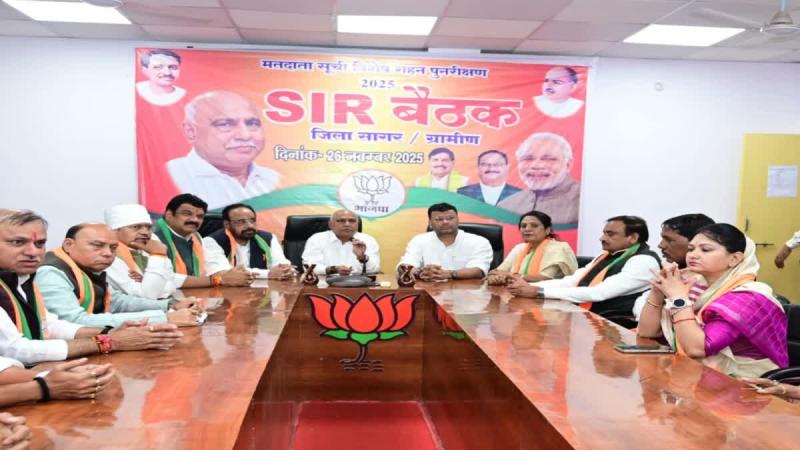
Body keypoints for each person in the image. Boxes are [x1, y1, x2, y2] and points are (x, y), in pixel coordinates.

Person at [0, 209, 184, 365]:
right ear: (68, 245)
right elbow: (14, 349)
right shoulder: (48, 272)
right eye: (17, 242)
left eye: (39, 243)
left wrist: (109, 332)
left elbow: (49, 325)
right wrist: (108, 341)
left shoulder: (23, 277)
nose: (33, 252)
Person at [638, 224, 788, 378]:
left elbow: (697, 349)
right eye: (691, 249)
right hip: (697, 372)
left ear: (734, 259)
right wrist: (657, 291)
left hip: (743, 380)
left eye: (705, 249)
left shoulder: (748, 297)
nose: (693, 255)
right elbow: (646, 332)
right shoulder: (695, 285)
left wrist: (678, 298)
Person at [36, 223, 201, 328]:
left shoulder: (85, 265)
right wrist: (164, 318)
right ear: (68, 245)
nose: (108, 253)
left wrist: (170, 305)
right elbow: (74, 321)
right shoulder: (51, 273)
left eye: (113, 248)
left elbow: (115, 301)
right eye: (97, 245)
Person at [508, 216, 660, 327]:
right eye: (604, 233)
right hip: (587, 318)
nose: (602, 238)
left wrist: (538, 292)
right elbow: (572, 281)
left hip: (615, 325)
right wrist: (529, 286)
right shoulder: (607, 255)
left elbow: (599, 293)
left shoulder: (644, 261)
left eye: (610, 234)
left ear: (633, 237)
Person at [166, 90, 281, 209]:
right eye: (225, 124)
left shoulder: (274, 179)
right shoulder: (170, 176)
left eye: (252, 123)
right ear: (191, 131)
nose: (245, 135)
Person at [153, 194, 254, 288]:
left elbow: (213, 266)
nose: (194, 220)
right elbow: (163, 278)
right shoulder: (152, 237)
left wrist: (234, 275)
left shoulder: (195, 237)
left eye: (200, 216)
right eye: (187, 214)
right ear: (169, 215)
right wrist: (218, 280)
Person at [632, 214, 715, 320]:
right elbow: (642, 303)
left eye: (669, 240)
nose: (661, 245)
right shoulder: (674, 270)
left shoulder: (710, 281)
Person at [497, 133, 580, 225]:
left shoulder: (584, 201)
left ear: (568, 165)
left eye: (549, 159)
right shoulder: (507, 206)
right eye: (528, 159)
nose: (537, 166)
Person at [398, 203, 493, 281]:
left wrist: (448, 274)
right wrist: (421, 273)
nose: (445, 222)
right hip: (429, 291)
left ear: (458, 220)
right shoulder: (419, 240)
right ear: (430, 223)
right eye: (439, 219)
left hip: (468, 293)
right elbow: (405, 265)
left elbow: (479, 270)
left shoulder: (479, 242)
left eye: (450, 218)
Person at [205, 203, 294, 280]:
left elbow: (281, 264)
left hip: (262, 290)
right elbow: (223, 273)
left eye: (252, 220)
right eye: (241, 222)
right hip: (225, 292)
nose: (249, 226)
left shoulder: (268, 238)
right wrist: (269, 274)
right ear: (227, 224)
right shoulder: (212, 241)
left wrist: (285, 270)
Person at [105, 204, 176, 299]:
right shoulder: (108, 255)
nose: (145, 232)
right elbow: (147, 296)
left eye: (149, 227)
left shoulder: (148, 247)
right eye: (136, 227)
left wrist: (146, 282)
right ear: (114, 231)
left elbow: (172, 284)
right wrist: (158, 255)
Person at [487, 211, 577, 285]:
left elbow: (545, 277)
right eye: (523, 226)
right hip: (516, 291)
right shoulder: (520, 248)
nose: (527, 229)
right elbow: (497, 271)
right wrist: (494, 278)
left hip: (547, 295)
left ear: (547, 230)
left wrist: (509, 276)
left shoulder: (559, 248)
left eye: (534, 225)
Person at [302, 210, 380, 276]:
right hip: (324, 283)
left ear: (357, 224)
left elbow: (374, 269)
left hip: (358, 283)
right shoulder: (317, 239)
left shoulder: (368, 240)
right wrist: (333, 269)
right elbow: (309, 267)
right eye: (341, 221)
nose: (347, 224)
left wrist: (362, 257)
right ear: (330, 224)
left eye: (352, 221)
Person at [456, 150, 521, 206]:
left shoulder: (519, 194)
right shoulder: (463, 192)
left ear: (507, 168)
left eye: (497, 164)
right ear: (478, 168)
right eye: (485, 164)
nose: (491, 168)